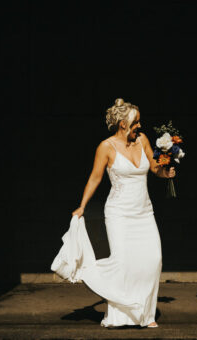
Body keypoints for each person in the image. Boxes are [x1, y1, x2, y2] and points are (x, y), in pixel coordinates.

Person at [51, 98, 175, 328]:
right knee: (124, 263)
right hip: (119, 214)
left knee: (153, 260)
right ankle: (121, 313)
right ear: (122, 124)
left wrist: (164, 172)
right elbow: (95, 178)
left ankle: (144, 314)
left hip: (144, 212)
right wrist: (82, 206)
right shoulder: (106, 147)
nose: (140, 125)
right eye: (136, 121)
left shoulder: (144, 140)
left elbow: (155, 167)